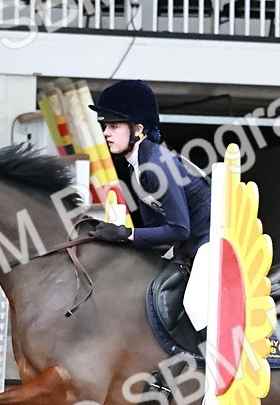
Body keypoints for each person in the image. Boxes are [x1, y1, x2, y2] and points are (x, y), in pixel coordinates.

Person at [89, 80, 211, 267]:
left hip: (209, 243)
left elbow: (180, 230)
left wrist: (126, 233)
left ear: (138, 130)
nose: (106, 133)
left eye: (114, 127)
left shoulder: (157, 165)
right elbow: (154, 228)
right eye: (105, 127)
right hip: (188, 244)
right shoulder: (136, 167)